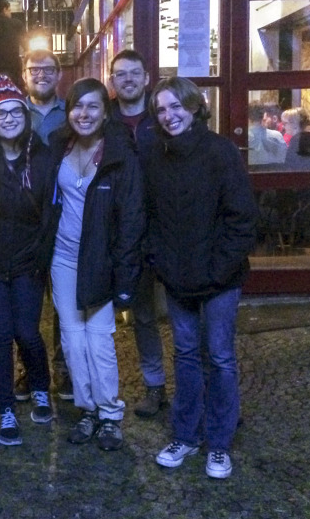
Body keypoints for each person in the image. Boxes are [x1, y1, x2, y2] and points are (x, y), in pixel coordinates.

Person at [145, 77, 257, 479]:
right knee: (187, 357)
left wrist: (217, 268)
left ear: (195, 107)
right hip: (178, 278)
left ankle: (219, 442)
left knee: (221, 357)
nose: (169, 115)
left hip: (219, 278)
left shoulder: (220, 152)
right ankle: (186, 435)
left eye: (176, 106)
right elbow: (152, 217)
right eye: (161, 109)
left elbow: (242, 218)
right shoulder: (157, 156)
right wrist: (161, 261)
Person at [48, 78, 145, 451]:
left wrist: (125, 275)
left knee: (99, 338)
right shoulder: (59, 146)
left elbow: (132, 220)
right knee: (72, 340)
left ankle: (109, 414)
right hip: (63, 257)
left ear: (106, 112)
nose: (84, 114)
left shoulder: (120, 155)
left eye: (92, 107)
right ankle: (87, 409)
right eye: (77, 106)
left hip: (100, 260)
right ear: (68, 110)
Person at [0, 75, 53, 446]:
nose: (7, 118)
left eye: (14, 111)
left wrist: (42, 256)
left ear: (25, 115)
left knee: (28, 333)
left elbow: (53, 212)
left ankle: (39, 386)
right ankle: (4, 407)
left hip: (27, 263)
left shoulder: (42, 157)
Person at [109, 49, 167, 417]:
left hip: (171, 228)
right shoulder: (105, 120)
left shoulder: (163, 115)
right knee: (143, 316)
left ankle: (205, 389)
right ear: (113, 81)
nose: (127, 79)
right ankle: (155, 387)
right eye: (120, 74)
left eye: (134, 72)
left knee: (189, 316)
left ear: (147, 78)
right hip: (130, 233)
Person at [13, 49, 73, 402]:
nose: (41, 75)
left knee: (64, 302)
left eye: (48, 69)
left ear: (58, 74)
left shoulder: (72, 113)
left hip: (65, 217)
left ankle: (63, 368)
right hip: (26, 222)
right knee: (27, 304)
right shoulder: (13, 111)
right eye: (34, 69)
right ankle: (27, 368)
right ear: (24, 74)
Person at [248, 102, 287, 167]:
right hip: (274, 173)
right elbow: (283, 158)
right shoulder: (276, 135)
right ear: (264, 115)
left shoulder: (243, 137)